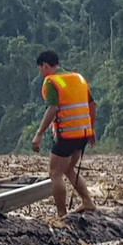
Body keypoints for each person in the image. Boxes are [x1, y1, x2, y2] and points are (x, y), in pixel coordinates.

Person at [31, 50, 97, 217]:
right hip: (83, 134)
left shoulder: (51, 82)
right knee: (68, 168)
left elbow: (52, 109)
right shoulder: (78, 78)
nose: (41, 73)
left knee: (55, 173)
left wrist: (39, 134)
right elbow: (92, 104)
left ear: (45, 66)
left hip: (67, 135)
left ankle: (62, 214)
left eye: (40, 69)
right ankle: (87, 201)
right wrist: (91, 129)